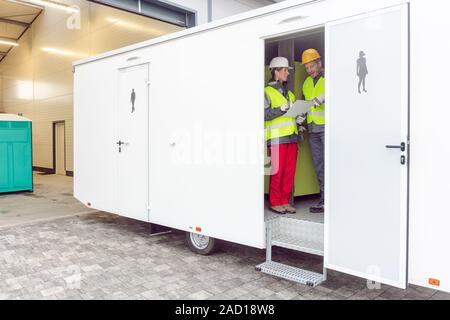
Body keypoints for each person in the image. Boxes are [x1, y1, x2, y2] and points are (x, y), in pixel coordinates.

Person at [265, 57, 299, 215]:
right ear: (276, 72)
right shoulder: (267, 92)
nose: (287, 73)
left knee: (289, 171)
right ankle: (275, 202)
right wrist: (282, 108)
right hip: (277, 137)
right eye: (285, 70)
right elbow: (264, 114)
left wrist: (299, 119)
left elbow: (290, 114)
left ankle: (285, 201)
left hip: (292, 136)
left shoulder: (290, 93)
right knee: (278, 171)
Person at [301, 49, 325, 213]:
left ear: (319, 63)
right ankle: (324, 200)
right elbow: (306, 104)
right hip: (313, 129)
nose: (310, 70)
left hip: (327, 127)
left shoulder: (329, 79)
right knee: (319, 165)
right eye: (307, 68)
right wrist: (301, 118)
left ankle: (337, 199)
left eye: (312, 66)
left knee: (332, 164)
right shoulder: (306, 83)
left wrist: (323, 97)